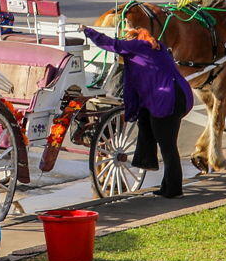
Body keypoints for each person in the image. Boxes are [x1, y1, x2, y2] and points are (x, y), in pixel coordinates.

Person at [82, 21, 196, 197]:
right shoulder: (155, 46)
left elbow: (112, 44)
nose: (125, 39)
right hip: (178, 96)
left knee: (168, 147)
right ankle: (168, 187)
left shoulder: (138, 45)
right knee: (168, 145)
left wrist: (87, 31)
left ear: (135, 36)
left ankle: (174, 190)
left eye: (128, 36)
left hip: (166, 99)